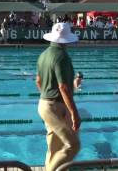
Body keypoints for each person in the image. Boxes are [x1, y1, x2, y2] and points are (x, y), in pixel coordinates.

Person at [36, 22, 81, 171]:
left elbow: (38, 81)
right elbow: (63, 87)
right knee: (73, 145)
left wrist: (47, 94)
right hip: (56, 106)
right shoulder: (62, 57)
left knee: (54, 148)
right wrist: (74, 112)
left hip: (43, 104)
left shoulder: (43, 55)